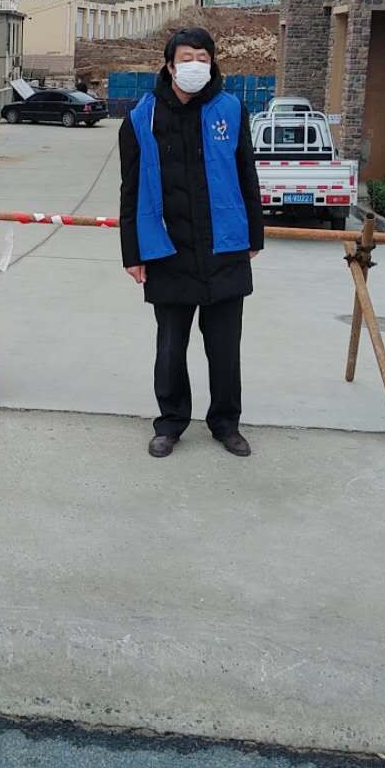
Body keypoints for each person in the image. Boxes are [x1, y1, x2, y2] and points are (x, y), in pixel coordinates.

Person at [119, 28, 265, 458]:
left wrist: (253, 235)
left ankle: (226, 423)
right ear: (170, 65)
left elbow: (247, 175)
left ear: (213, 63)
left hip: (224, 247)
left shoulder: (231, 110)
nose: (195, 65)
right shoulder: (141, 117)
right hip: (167, 248)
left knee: (225, 349)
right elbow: (130, 189)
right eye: (187, 58)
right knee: (170, 347)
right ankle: (170, 422)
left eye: (203, 57)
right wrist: (132, 253)